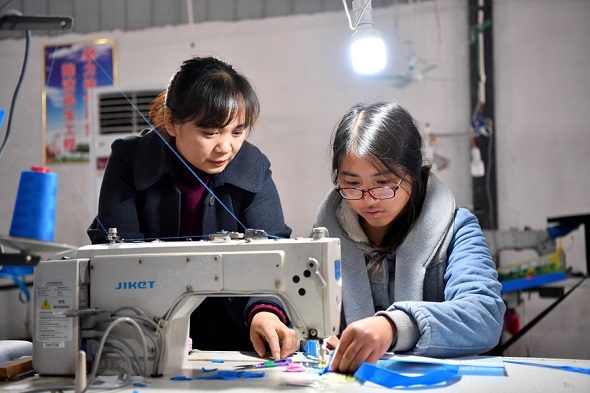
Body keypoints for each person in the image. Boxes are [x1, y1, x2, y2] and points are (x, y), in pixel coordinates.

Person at [249, 101, 505, 373]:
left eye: (383, 183)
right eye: (352, 184)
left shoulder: (457, 230)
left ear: (415, 173)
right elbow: (302, 314)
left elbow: (484, 316)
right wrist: (287, 329)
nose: (368, 199)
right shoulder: (325, 238)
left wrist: (394, 326)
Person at [87, 56, 293, 352]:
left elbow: (275, 255)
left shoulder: (252, 166)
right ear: (172, 122)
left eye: (237, 131)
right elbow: (120, 263)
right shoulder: (129, 161)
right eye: (210, 133)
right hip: (146, 335)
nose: (226, 147)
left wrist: (265, 311)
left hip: (238, 339)